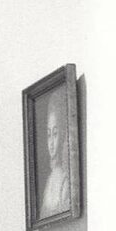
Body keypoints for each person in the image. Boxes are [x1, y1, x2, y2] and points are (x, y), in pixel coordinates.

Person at [38, 88, 70, 219]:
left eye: (55, 134)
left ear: (62, 135)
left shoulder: (65, 181)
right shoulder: (49, 181)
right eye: (49, 135)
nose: (51, 143)